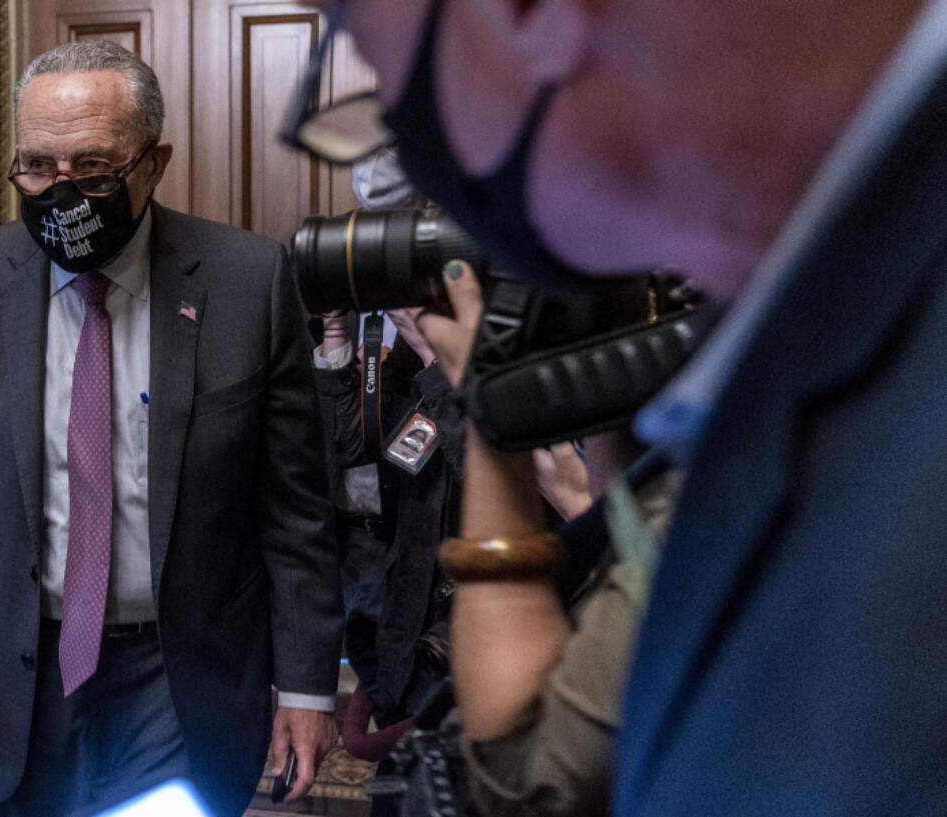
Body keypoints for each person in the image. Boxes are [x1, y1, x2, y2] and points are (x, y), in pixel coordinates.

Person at [300, 0, 947, 814]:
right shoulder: (821, 323)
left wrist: (495, 408)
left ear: (529, 15)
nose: (410, 134)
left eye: (378, 67)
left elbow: (535, 780)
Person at [0, 41, 342, 817]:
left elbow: (295, 510)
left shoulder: (249, 281)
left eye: (91, 168)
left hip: (181, 675)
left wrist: (310, 686)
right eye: (38, 167)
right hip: (16, 674)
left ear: (153, 163)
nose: (62, 191)